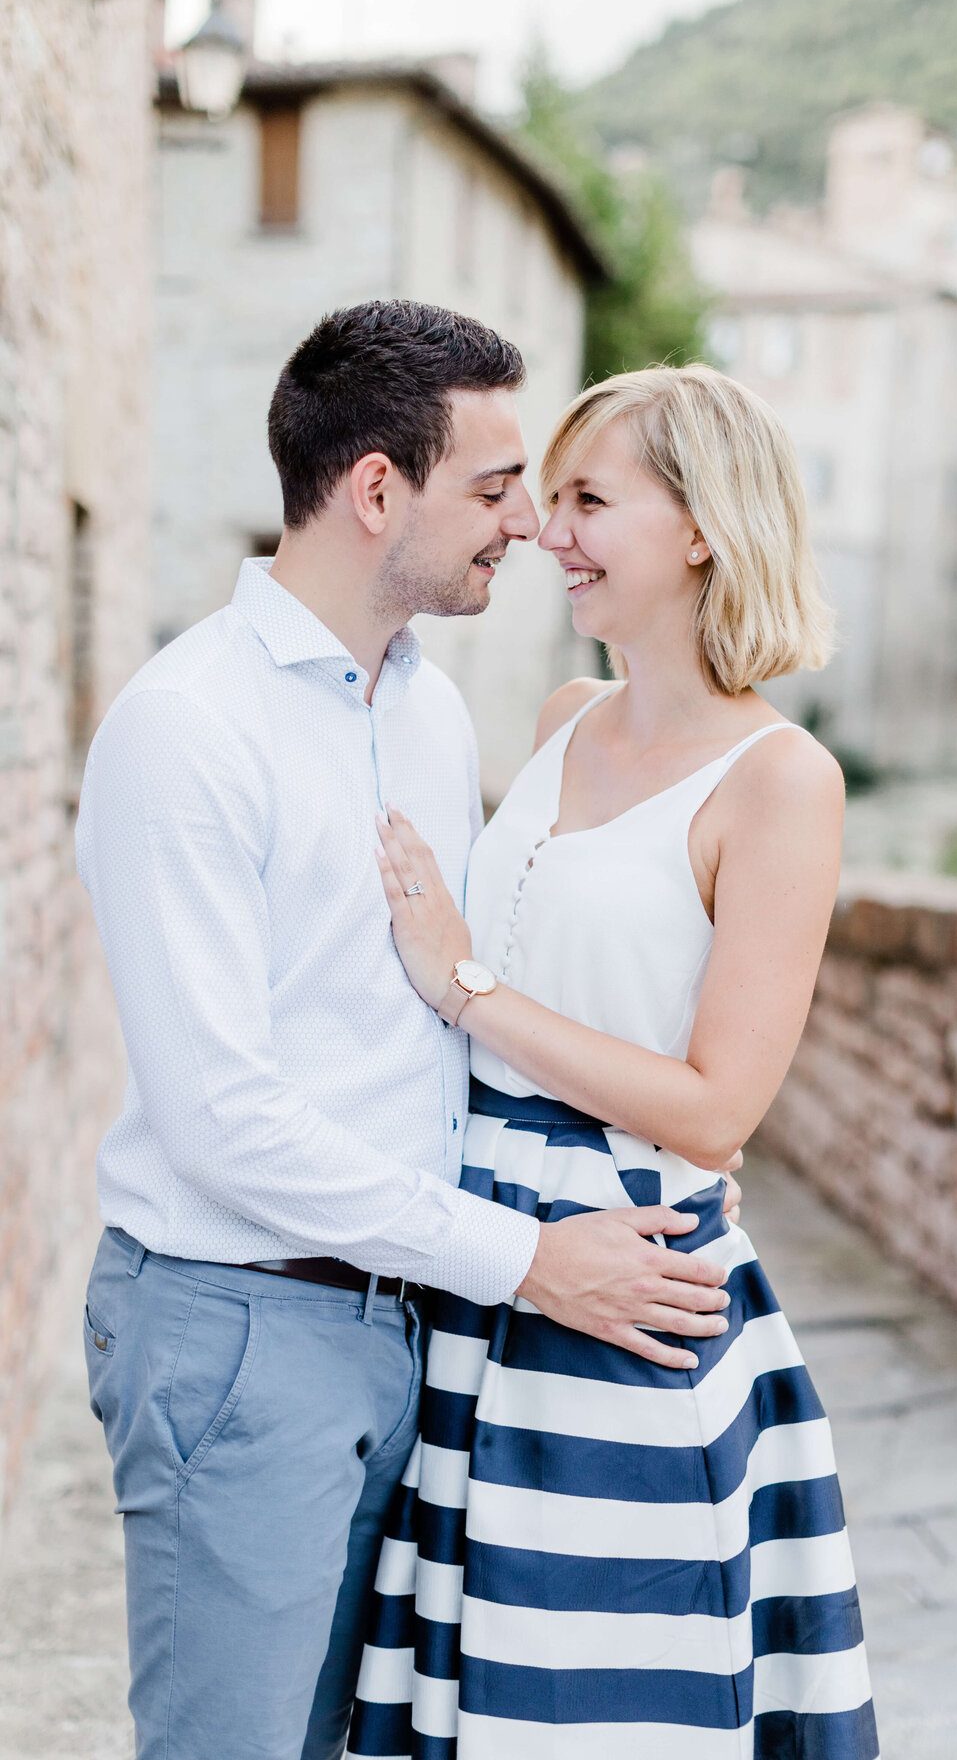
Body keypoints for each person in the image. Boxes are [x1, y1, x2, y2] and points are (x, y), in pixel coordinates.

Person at [75, 302, 738, 1760]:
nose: (529, 528)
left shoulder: (432, 717)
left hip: (409, 1329)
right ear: (378, 489)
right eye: (498, 490)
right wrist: (529, 1262)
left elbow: (454, 1006)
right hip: (242, 1329)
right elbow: (223, 1122)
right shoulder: (188, 728)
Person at [353, 364, 878, 1758]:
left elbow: (720, 1109)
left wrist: (468, 986)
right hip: (480, 1271)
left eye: (588, 499)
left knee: (597, 1705)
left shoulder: (779, 782)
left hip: (626, 1288)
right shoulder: (558, 717)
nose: (545, 528)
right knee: (466, 1690)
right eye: (544, 496)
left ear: (701, 524)